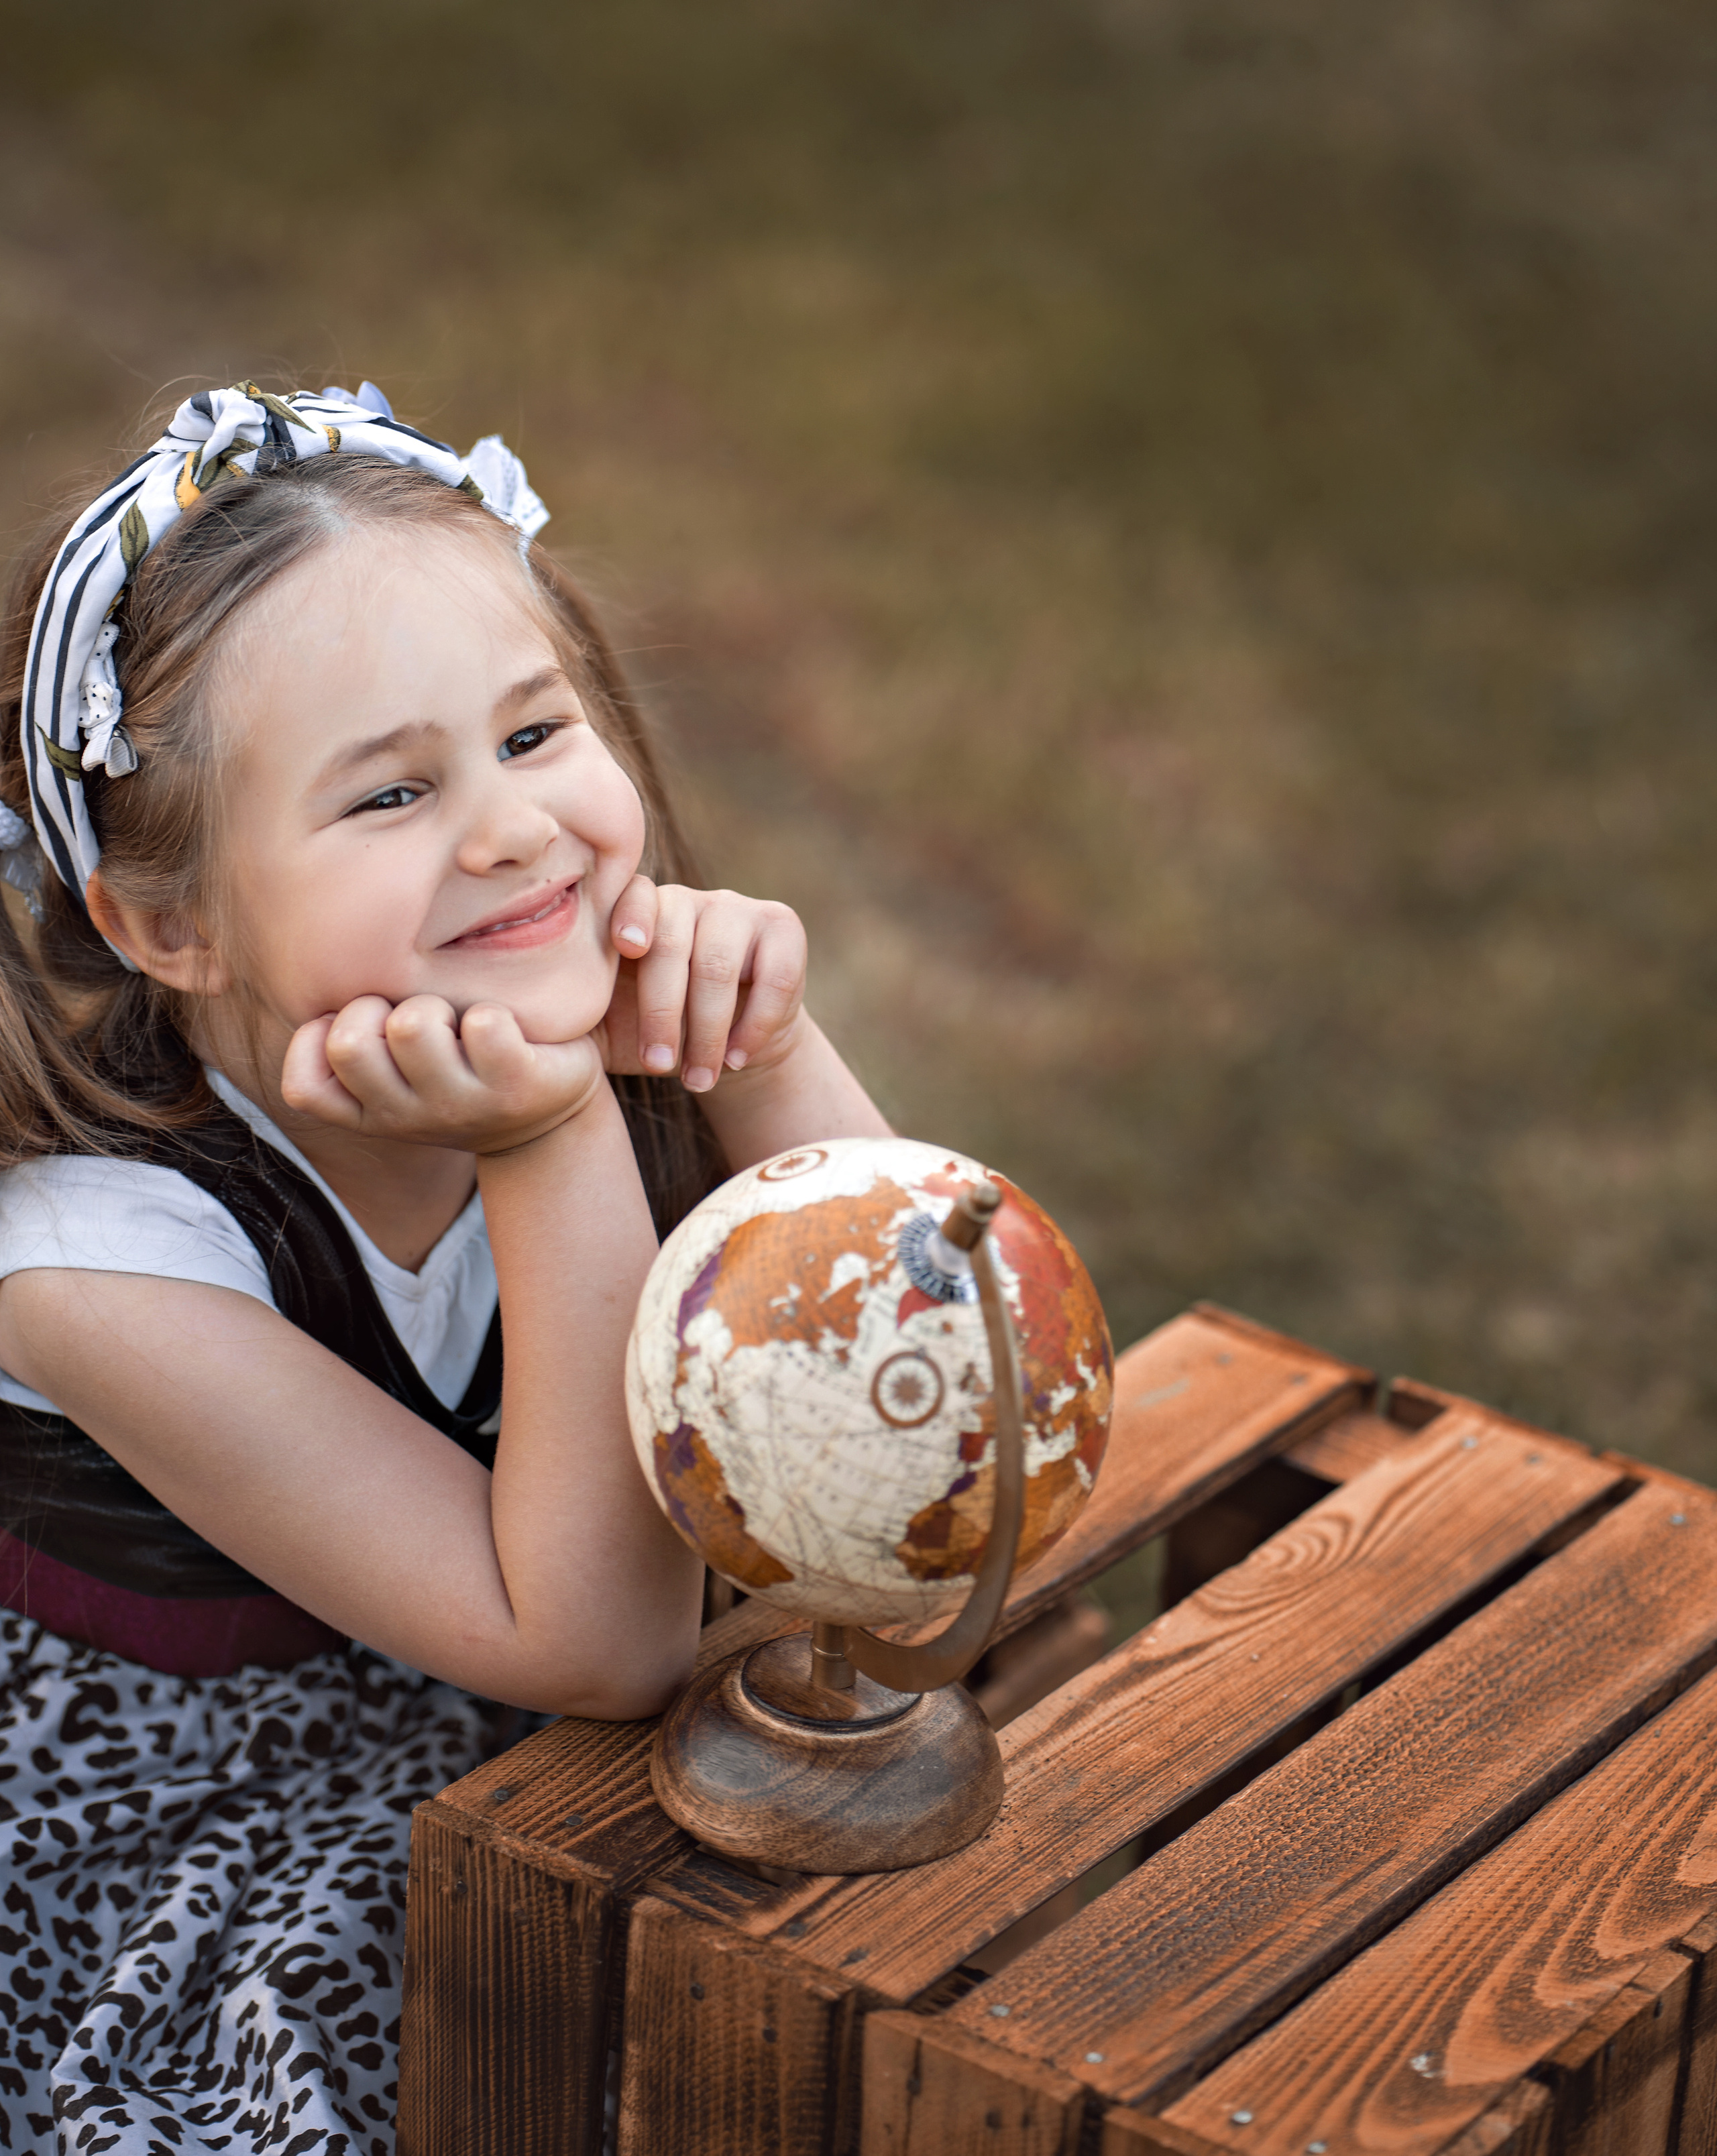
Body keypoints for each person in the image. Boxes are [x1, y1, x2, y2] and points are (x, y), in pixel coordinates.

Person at [0, 381, 890, 2155]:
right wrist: (554, 1144)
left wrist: (766, 1052)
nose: (506, 832)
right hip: (186, 1828)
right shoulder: (88, 1263)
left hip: (503, 1713)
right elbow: (606, 1642)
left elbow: (919, 1402)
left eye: (535, 736)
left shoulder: (562, 1004)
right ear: (168, 924)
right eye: (393, 791)